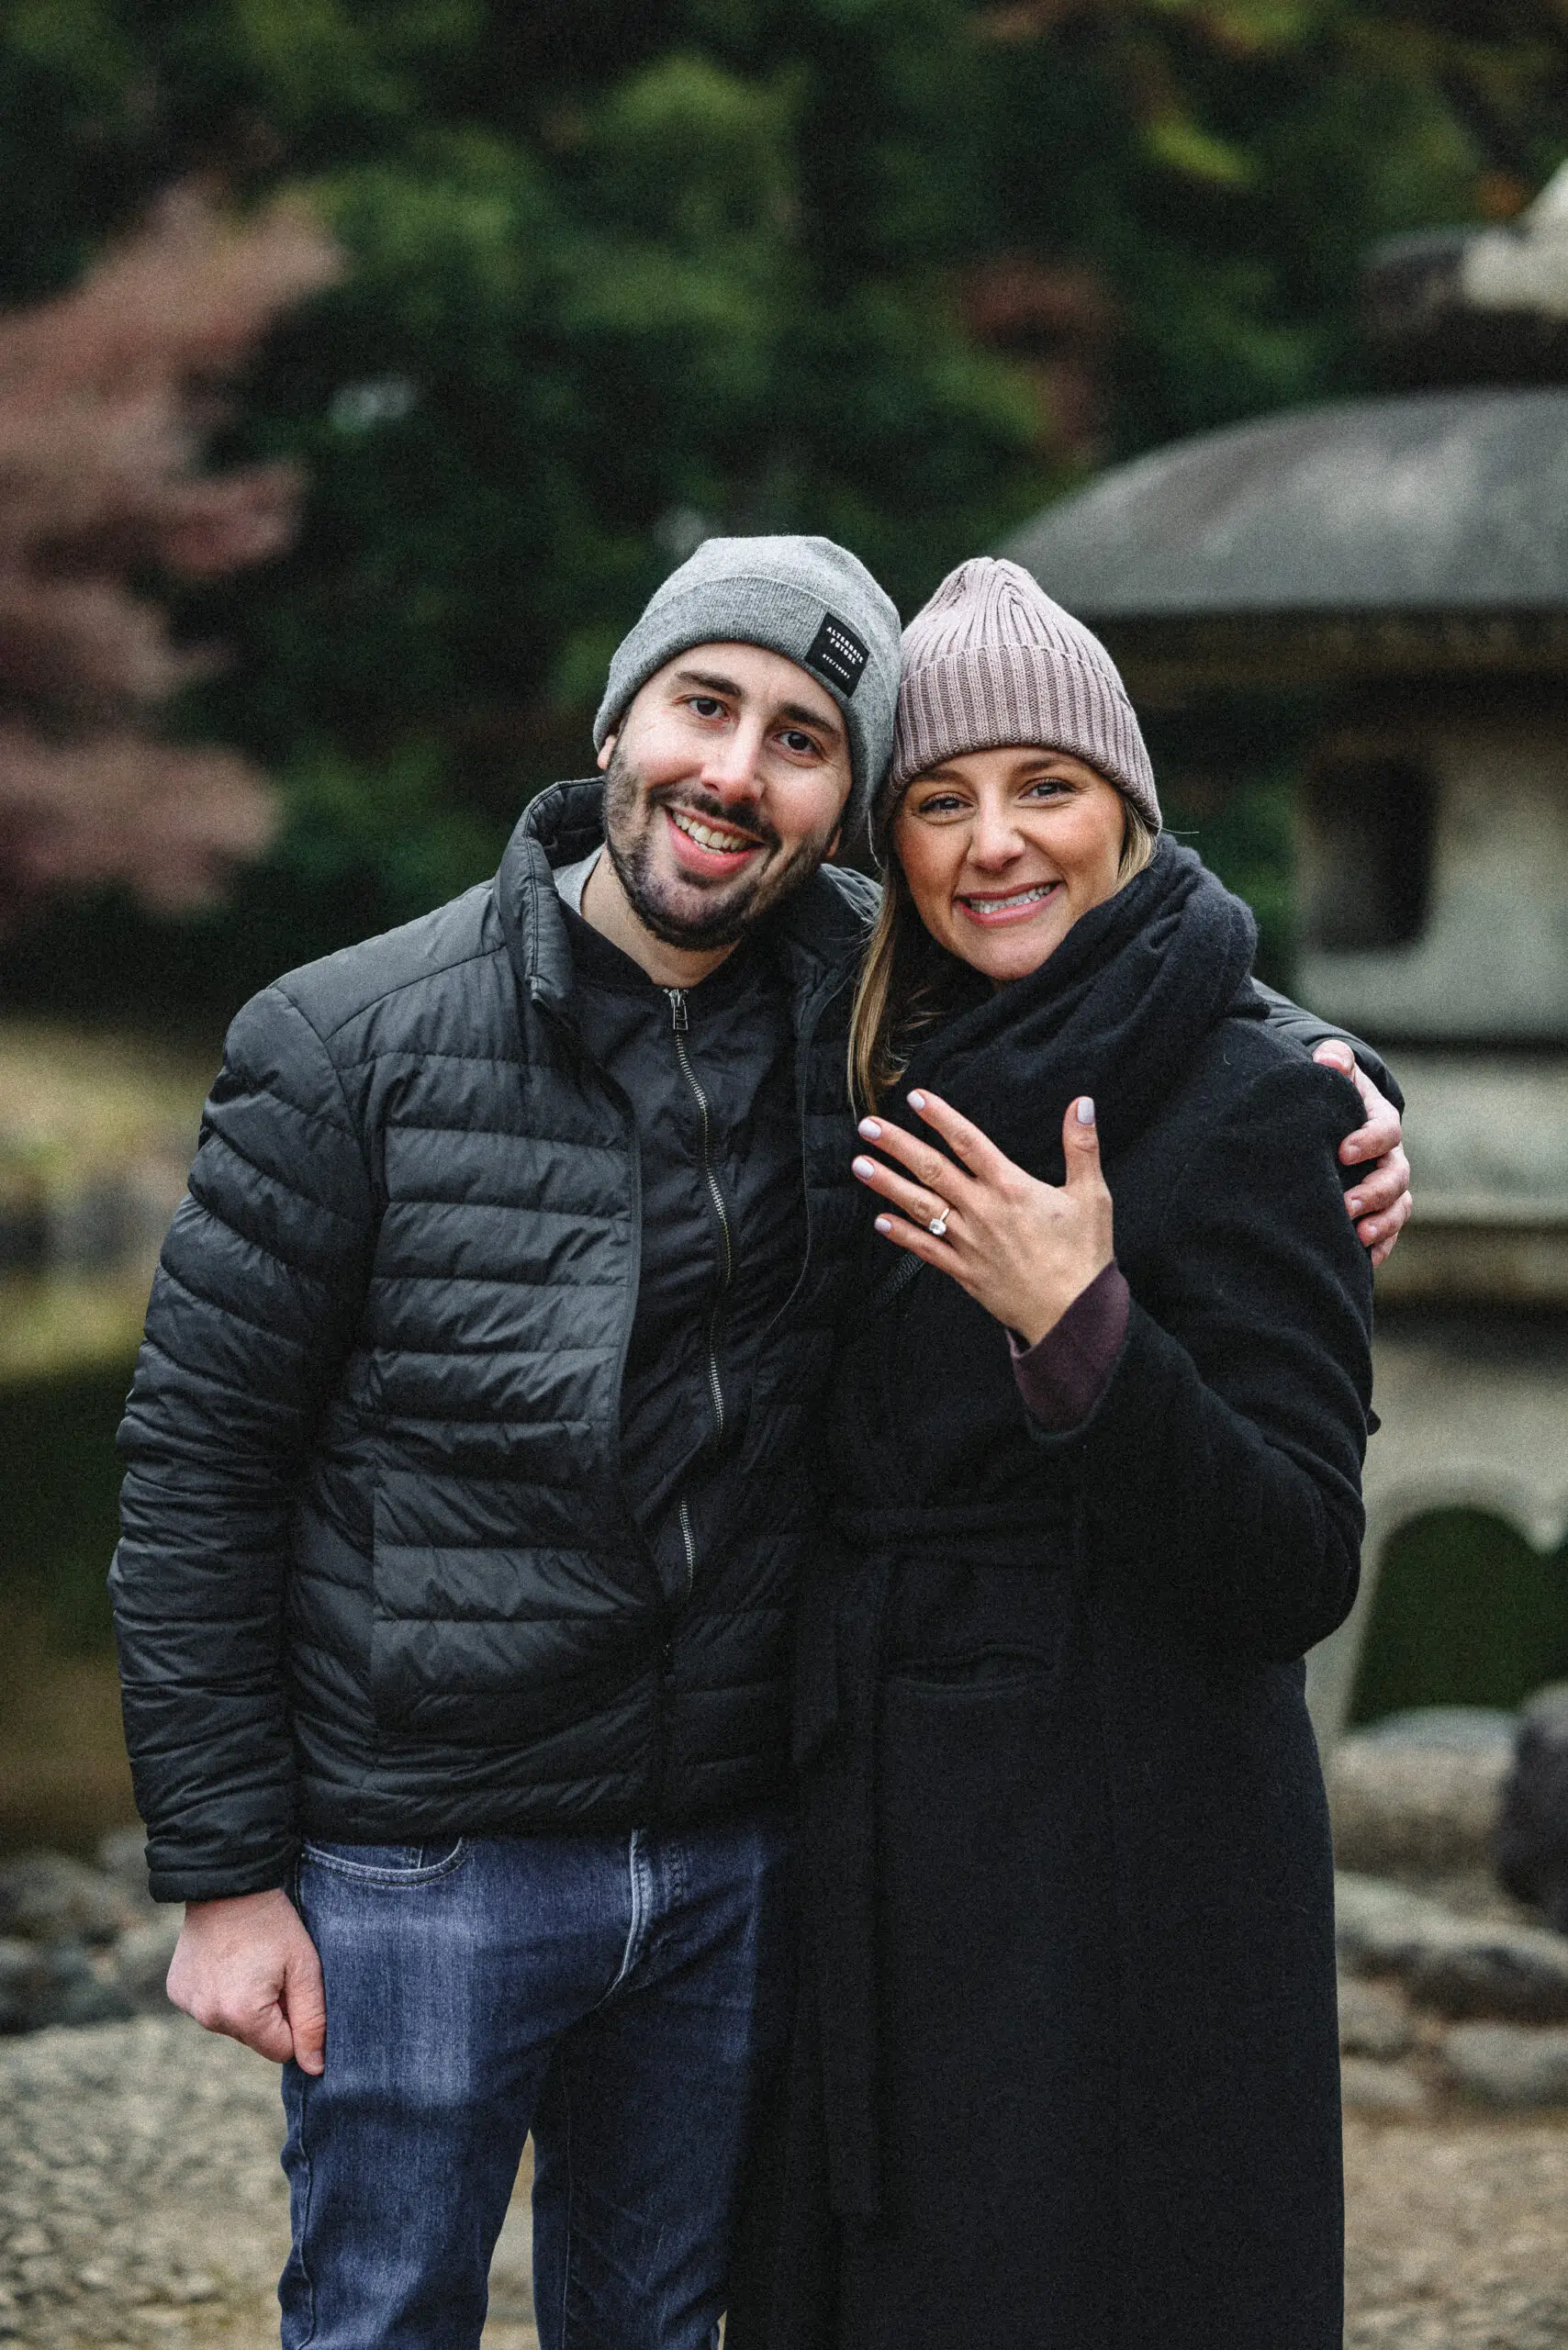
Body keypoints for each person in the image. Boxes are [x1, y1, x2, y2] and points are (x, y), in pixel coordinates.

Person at [110, 536, 1407, 2350]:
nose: (734, 772)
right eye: (702, 707)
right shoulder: (347, 1041)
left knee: (669, 2321)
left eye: (802, 739)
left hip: (737, 1848)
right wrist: (225, 1867)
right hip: (431, 1852)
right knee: (381, 2312)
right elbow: (198, 1468)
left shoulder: (855, 1000)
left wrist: (1346, 1100)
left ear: (832, 813)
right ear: (617, 721)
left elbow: (1163, 1004)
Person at [728, 559, 1384, 2350]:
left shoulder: (1259, 1094)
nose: (992, 842)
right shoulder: (865, 1049)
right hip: (880, 1817)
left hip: (1126, 1869)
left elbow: (1295, 1563)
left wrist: (1080, 1326)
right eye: (937, 800)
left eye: (1046, 788)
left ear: (1127, 808)